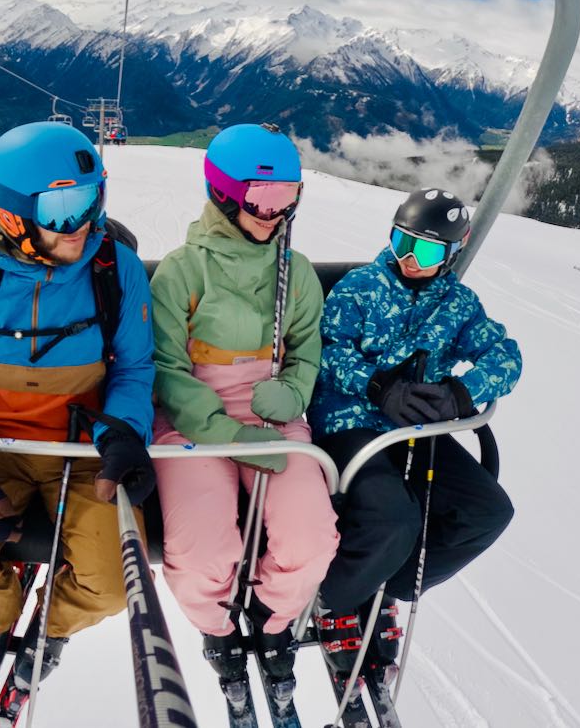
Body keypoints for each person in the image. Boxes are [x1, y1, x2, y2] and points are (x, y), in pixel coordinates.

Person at [0, 122, 156, 716]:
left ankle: (52, 627)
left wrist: (121, 432)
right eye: (64, 210)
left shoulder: (114, 271)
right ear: (15, 216)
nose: (85, 225)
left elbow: (134, 368)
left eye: (92, 201)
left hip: (81, 447)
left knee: (116, 579)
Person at [149, 123, 339, 705]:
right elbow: (167, 367)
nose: (275, 214)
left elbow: (306, 348)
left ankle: (275, 618)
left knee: (311, 537)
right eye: (263, 201)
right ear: (225, 195)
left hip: (271, 414)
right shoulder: (182, 271)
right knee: (202, 549)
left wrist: (295, 388)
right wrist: (223, 430)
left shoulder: (295, 272)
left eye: (289, 199)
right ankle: (217, 627)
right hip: (194, 420)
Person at [308, 187, 521, 678]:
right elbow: (324, 347)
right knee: (393, 519)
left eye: (425, 250)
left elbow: (505, 356)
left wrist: (460, 395)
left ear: (452, 252)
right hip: (351, 423)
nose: (409, 258)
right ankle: (334, 598)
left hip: (417, 429)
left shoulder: (458, 305)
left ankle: (383, 582)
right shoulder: (360, 287)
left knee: (487, 512)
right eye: (401, 241)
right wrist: (377, 385)